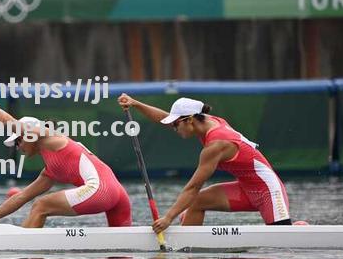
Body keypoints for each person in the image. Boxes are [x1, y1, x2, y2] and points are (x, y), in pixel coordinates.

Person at [117, 94, 291, 234]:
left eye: (176, 124)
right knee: (197, 202)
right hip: (245, 188)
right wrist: (135, 103)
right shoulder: (205, 120)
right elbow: (165, 117)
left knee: (285, 242)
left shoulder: (216, 144)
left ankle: (300, 226)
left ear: (190, 120)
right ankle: (188, 254)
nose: (174, 128)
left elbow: (193, 187)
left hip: (268, 191)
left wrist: (168, 218)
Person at [0, 90, 132, 228]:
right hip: (118, 194)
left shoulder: (48, 134)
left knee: (41, 205)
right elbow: (21, 197)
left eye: (19, 140)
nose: (18, 146)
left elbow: (11, 124)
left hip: (101, 191)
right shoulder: (50, 171)